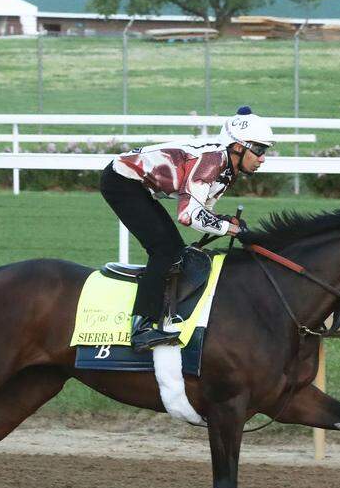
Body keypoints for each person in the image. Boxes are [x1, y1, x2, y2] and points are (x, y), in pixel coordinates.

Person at [99, 106, 274, 352]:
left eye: (265, 151)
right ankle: (141, 329)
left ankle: (165, 315)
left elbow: (203, 211)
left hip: (138, 186)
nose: (263, 158)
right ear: (238, 146)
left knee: (175, 251)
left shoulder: (227, 169)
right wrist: (231, 230)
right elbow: (188, 216)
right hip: (121, 182)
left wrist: (227, 223)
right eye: (258, 150)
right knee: (164, 250)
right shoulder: (211, 162)